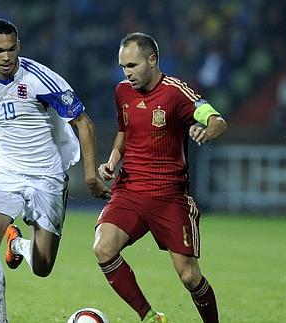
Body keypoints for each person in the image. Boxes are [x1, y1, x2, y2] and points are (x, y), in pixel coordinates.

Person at [0, 19, 110, 323]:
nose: (7, 56)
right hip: (6, 172)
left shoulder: (40, 79)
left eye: (12, 48)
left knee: (42, 267)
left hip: (47, 177)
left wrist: (90, 175)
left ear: (19, 46)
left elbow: (84, 123)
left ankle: (16, 244)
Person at [93, 32, 227, 323]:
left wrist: (207, 129)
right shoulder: (122, 92)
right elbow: (124, 130)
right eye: (123, 67)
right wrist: (112, 161)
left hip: (170, 197)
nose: (127, 74)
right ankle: (150, 317)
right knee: (103, 248)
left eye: (132, 65)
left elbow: (217, 120)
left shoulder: (176, 92)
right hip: (129, 190)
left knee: (189, 276)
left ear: (152, 60)